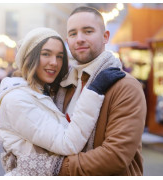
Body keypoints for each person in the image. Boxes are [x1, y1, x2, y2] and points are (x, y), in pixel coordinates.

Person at [0, 27, 125, 175]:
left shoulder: (42, 92)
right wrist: (94, 91)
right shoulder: (17, 100)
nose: (54, 62)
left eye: (59, 56)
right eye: (46, 54)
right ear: (29, 57)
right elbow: (68, 143)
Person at [53, 6, 147, 176]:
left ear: (105, 37)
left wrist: (53, 166)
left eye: (88, 31)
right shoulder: (63, 86)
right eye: (73, 34)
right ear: (67, 40)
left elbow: (114, 157)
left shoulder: (126, 87)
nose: (79, 39)